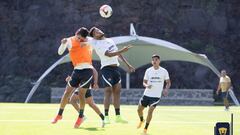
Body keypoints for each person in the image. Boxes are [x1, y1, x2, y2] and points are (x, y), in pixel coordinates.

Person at [52, 27, 96, 128]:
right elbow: (60, 52)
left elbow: (96, 41)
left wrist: (86, 42)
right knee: (66, 93)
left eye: (82, 39)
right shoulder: (69, 40)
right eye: (78, 37)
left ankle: (81, 117)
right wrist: (63, 44)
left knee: (81, 95)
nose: (80, 40)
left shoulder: (89, 40)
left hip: (87, 70)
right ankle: (59, 115)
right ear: (76, 33)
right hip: (76, 70)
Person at [89, 27, 135, 124]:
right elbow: (109, 54)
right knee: (108, 91)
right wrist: (122, 50)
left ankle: (118, 116)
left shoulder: (110, 40)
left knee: (117, 92)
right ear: (94, 37)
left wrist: (128, 65)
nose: (98, 31)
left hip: (115, 69)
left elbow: (118, 55)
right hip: (106, 69)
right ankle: (106, 117)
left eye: (98, 29)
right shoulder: (97, 44)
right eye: (95, 32)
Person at [137, 54, 171, 135]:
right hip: (146, 94)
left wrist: (166, 89)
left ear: (159, 61)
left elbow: (168, 82)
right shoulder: (148, 70)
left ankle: (145, 129)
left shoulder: (164, 71)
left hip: (156, 96)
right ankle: (142, 120)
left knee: (150, 111)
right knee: (139, 110)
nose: (154, 61)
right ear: (151, 62)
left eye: (156, 59)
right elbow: (144, 82)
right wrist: (147, 86)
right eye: (153, 60)